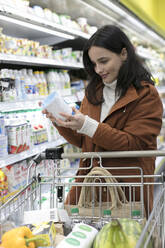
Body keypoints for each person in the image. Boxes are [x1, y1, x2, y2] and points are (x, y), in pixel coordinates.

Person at [42, 25, 163, 214]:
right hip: (89, 186)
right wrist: (62, 121)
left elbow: (135, 143)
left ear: (123, 53)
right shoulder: (94, 92)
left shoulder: (146, 95)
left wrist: (88, 125)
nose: (98, 69)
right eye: (94, 63)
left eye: (103, 61)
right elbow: (84, 142)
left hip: (125, 191)